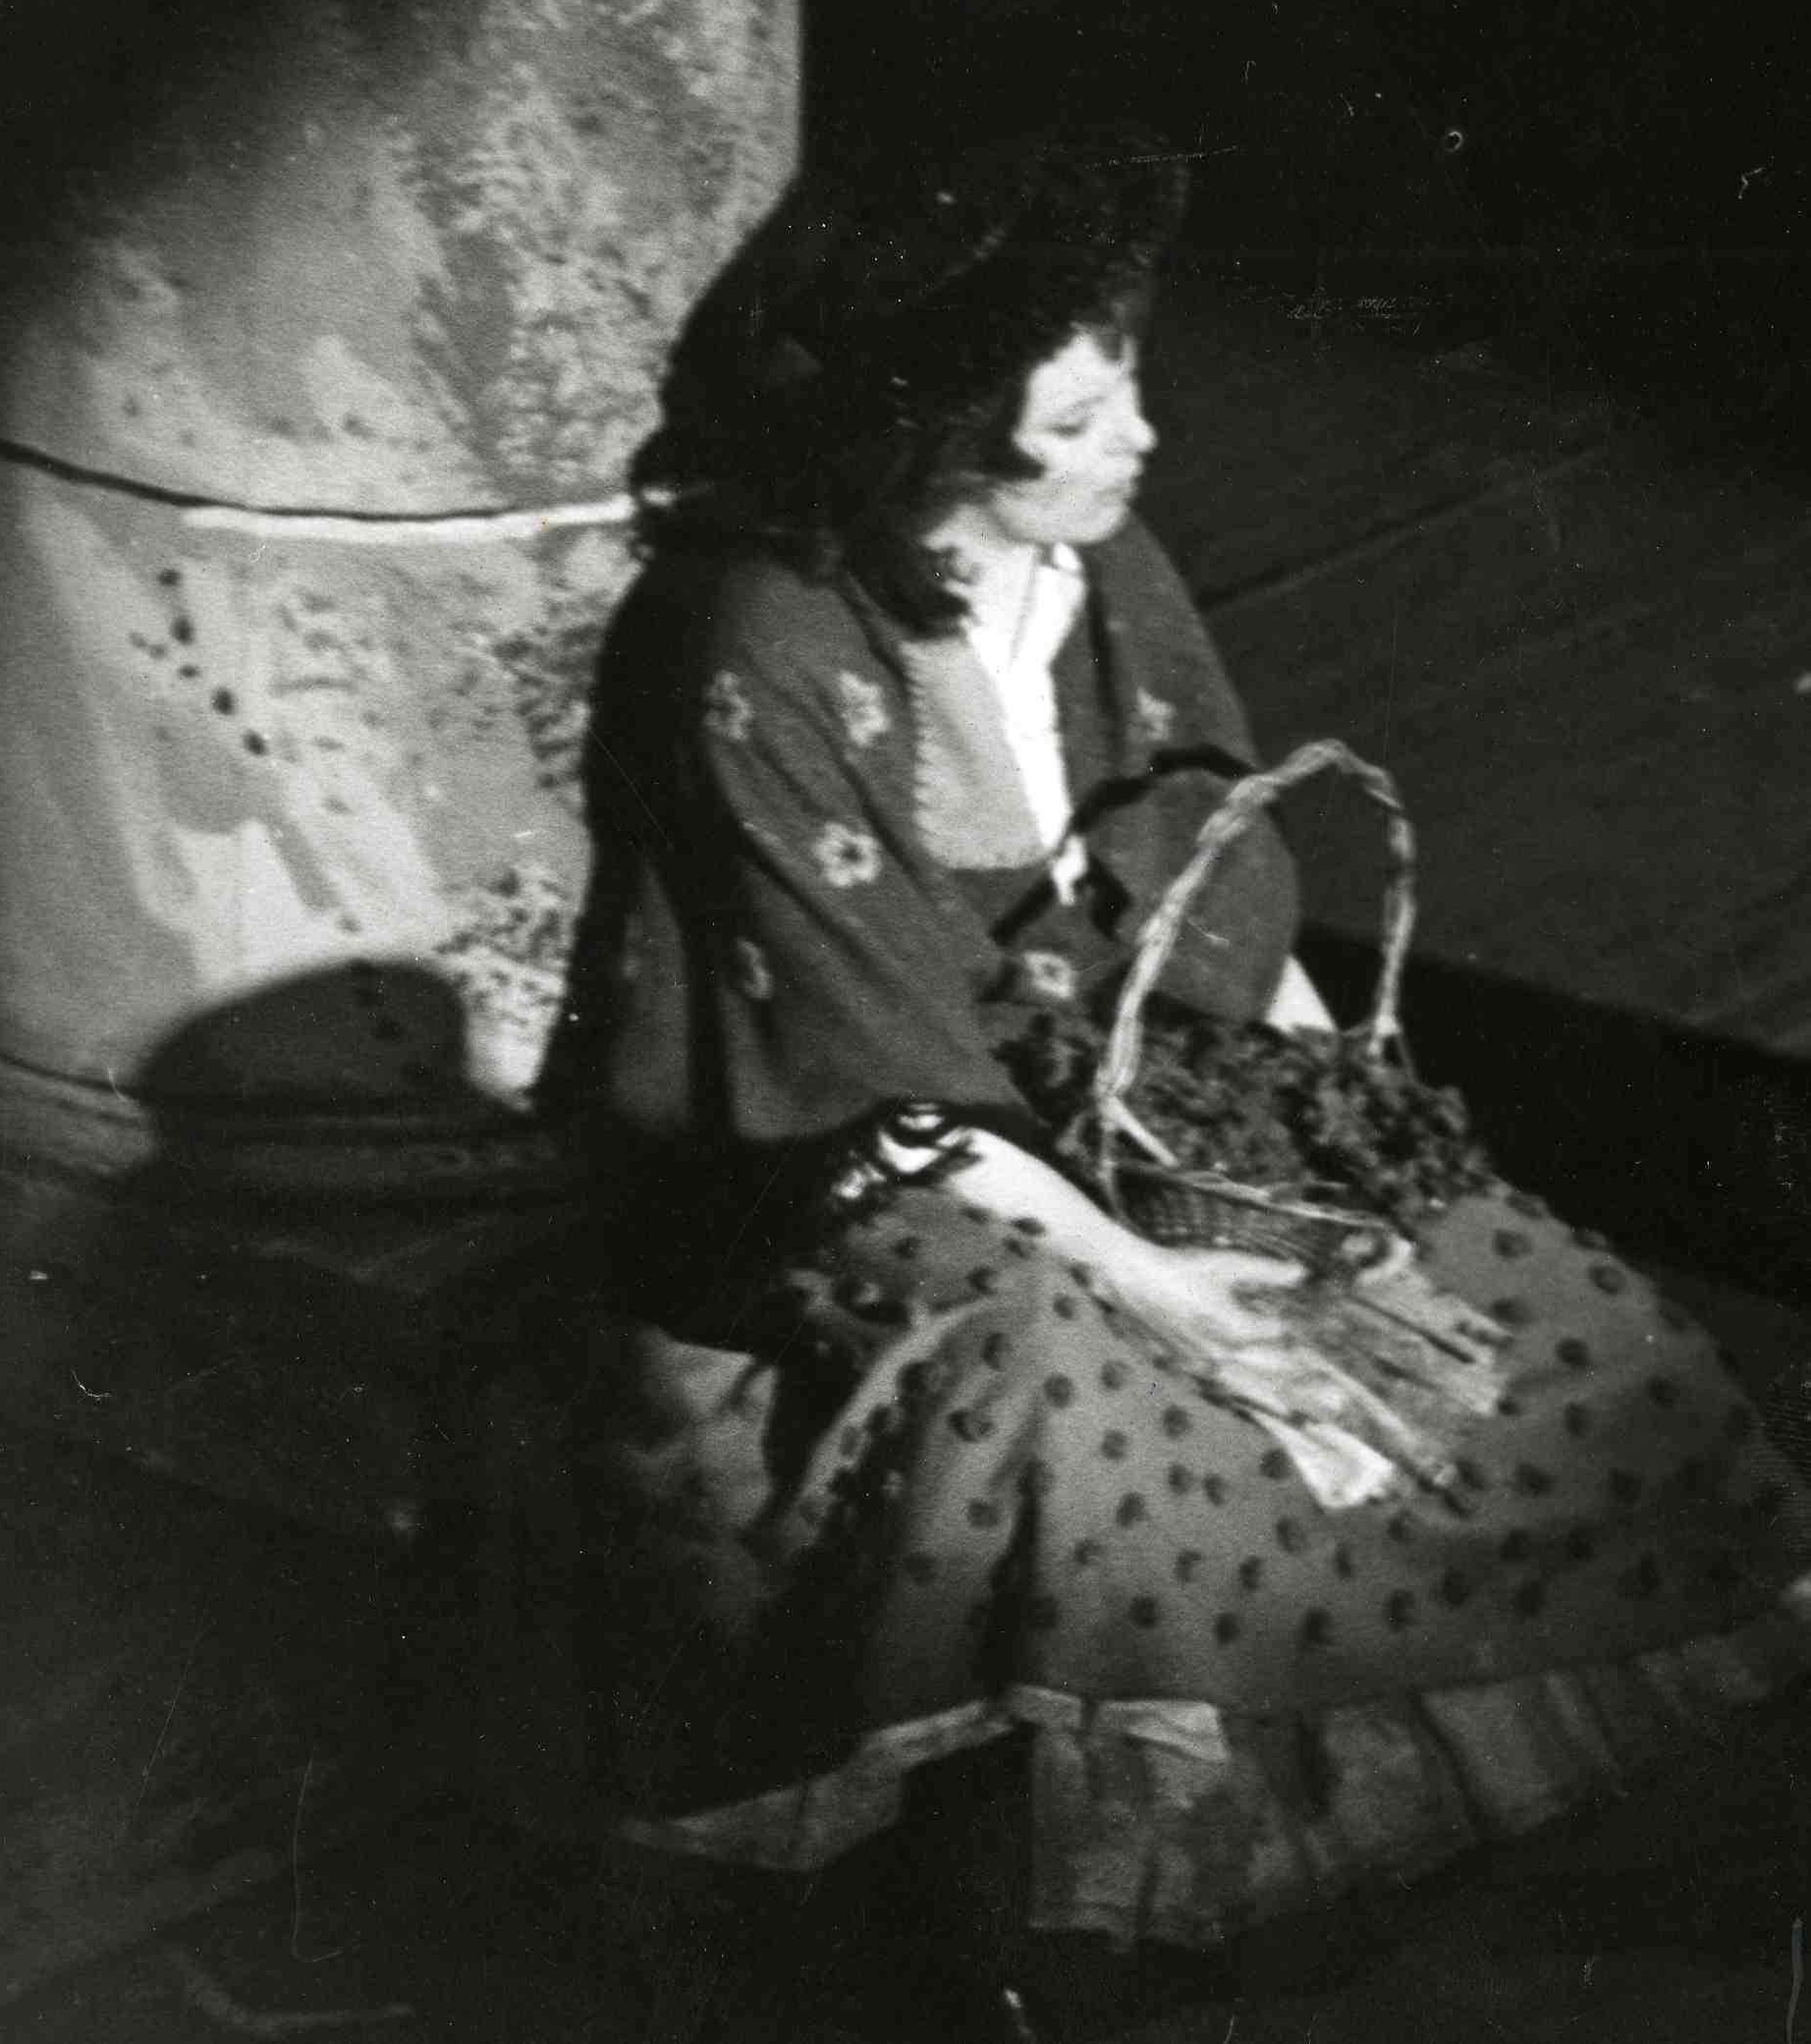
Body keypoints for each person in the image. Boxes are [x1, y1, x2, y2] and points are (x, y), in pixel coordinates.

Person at [539, 130, 1811, 2028]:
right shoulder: (754, 647)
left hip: (1114, 1080)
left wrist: (1349, 1137)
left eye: (1125, 372)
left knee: (1546, 1331)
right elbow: (859, 1053)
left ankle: (1377, 1850)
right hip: (855, 1145)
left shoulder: (1096, 562)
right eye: (1077, 411)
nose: (1139, 433)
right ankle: (1071, 1928)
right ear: (930, 434)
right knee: (1102, 1424)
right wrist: (1155, 1280)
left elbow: (1210, 890)